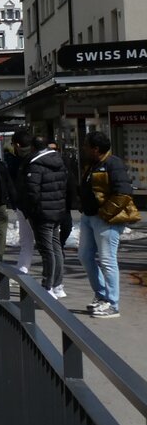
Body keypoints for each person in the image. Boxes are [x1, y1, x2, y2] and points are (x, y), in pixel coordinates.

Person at [78, 130, 137, 319]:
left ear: (96, 149)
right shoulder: (93, 164)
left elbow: (124, 192)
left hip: (105, 220)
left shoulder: (113, 163)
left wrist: (106, 213)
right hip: (89, 218)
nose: (84, 148)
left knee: (107, 260)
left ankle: (112, 304)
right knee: (85, 256)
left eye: (87, 145)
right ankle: (101, 296)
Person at [20, 135, 69, 298]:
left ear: (33, 147)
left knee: (46, 249)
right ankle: (58, 285)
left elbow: (32, 192)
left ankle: (47, 285)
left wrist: (31, 211)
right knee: (55, 247)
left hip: (42, 213)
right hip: (56, 210)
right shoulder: (59, 162)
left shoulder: (35, 165)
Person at [8, 130, 38, 275]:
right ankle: (22, 270)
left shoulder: (23, 161)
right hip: (35, 206)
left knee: (30, 241)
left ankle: (53, 284)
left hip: (29, 206)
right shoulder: (37, 158)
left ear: (17, 145)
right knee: (45, 244)